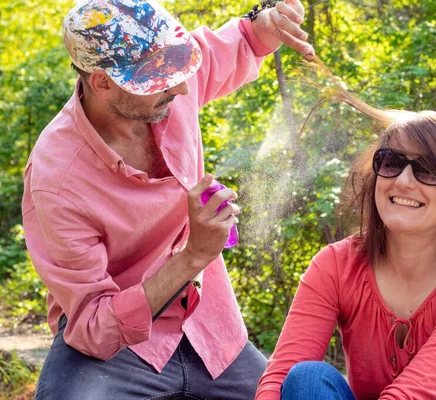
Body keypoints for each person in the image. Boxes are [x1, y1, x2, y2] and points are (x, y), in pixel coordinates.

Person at [22, 0, 314, 398]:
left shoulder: (170, 77)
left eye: (179, 71)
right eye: (159, 79)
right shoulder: (57, 179)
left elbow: (246, 38)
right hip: (115, 349)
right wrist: (194, 256)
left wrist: (269, 20)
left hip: (211, 329)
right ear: (102, 82)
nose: (179, 87)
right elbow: (92, 325)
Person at [255, 106, 436, 399]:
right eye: (390, 162)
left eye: (428, 170)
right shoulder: (335, 265)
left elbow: (413, 395)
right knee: (306, 379)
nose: (402, 181)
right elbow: (280, 377)